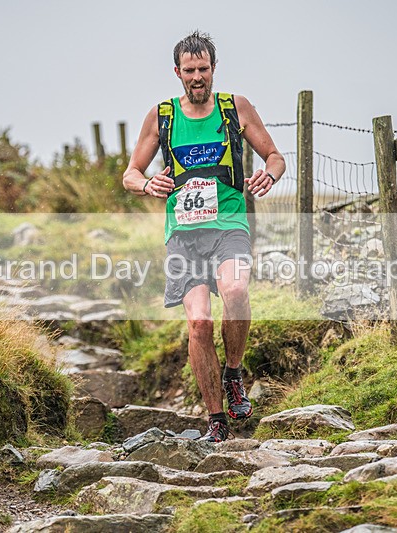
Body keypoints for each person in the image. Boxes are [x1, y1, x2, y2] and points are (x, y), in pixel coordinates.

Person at [123, 31, 285, 442]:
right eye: (190, 71)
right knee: (199, 322)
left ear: (214, 69)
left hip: (229, 224)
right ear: (177, 72)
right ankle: (216, 421)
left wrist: (269, 175)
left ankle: (233, 373)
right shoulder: (162, 116)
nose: (198, 77)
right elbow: (130, 174)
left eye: (204, 69)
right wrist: (147, 186)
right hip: (184, 234)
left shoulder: (235, 108)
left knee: (235, 290)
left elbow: (276, 156)